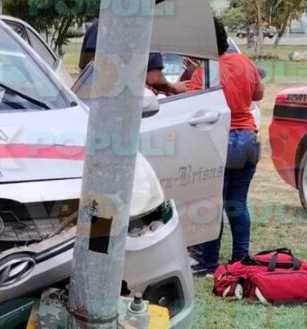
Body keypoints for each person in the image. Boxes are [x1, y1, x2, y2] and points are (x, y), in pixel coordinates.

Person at [192, 18, 264, 275]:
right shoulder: (244, 62)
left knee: (214, 206)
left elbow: (190, 108)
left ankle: (209, 263)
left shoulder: (203, 74)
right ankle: (241, 259)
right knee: (238, 203)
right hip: (247, 139)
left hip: (219, 141)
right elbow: (258, 94)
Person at [79, 21, 187, 95]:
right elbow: (154, 78)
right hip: (125, 106)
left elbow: (85, 69)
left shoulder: (97, 27)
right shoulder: (143, 31)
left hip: (89, 103)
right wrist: (173, 87)